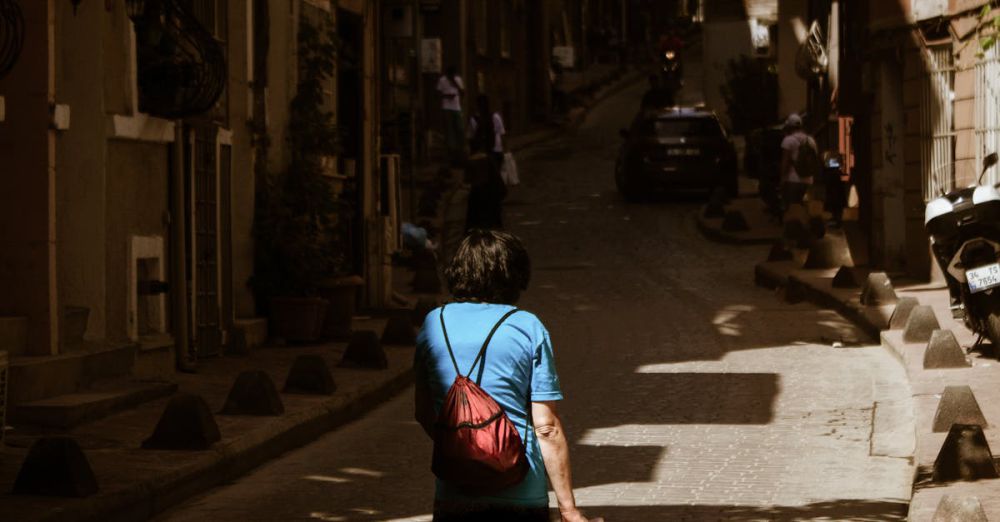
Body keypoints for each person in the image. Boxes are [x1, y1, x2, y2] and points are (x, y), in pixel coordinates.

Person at [413, 230, 598, 522]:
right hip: (521, 488)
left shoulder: (434, 323)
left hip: (455, 490)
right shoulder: (527, 327)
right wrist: (569, 510)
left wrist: (466, 447)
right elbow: (546, 427)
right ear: (514, 274)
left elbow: (423, 411)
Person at [779, 113, 817, 211]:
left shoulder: (788, 140)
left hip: (793, 180)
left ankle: (794, 225)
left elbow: (785, 162)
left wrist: (782, 179)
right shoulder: (811, 140)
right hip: (809, 180)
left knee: (792, 208)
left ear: (789, 127)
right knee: (804, 208)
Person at [437, 66, 466, 165]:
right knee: (449, 130)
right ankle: (451, 151)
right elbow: (438, 94)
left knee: (460, 128)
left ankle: (460, 149)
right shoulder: (442, 80)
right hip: (446, 107)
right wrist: (447, 96)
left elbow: (463, 92)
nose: (451, 77)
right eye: (450, 75)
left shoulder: (458, 79)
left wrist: (456, 83)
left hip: (456, 107)